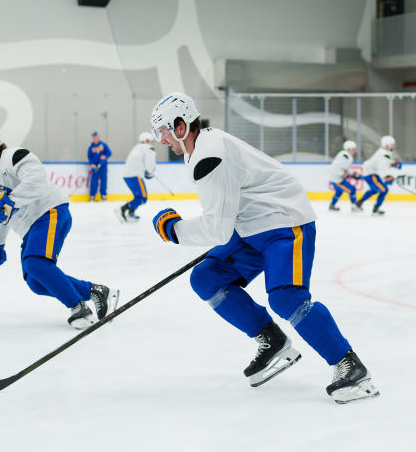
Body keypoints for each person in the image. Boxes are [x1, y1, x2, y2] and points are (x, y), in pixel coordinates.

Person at [147, 92, 378, 404]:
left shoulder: (207, 155)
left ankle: (351, 368)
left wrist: (173, 230)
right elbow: (224, 220)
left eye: (163, 132)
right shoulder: (200, 148)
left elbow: (217, 228)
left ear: (179, 126)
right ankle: (271, 340)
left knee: (287, 298)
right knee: (206, 278)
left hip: (285, 221)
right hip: (252, 226)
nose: (162, 141)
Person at [0, 122, 119, 328]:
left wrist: (11, 201)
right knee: (35, 281)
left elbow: (36, 183)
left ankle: (78, 308)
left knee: (36, 263)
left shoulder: (16, 156)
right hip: (30, 228)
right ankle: (93, 291)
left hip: (50, 211)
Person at [355, 135, 402, 215]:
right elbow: (381, 169)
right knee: (384, 190)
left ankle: (358, 203)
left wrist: (392, 164)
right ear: (387, 145)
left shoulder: (384, 152)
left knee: (375, 190)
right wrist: (387, 177)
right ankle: (375, 209)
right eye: (392, 144)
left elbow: (383, 164)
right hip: (371, 174)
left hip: (371, 173)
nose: (394, 146)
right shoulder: (384, 154)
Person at [116, 132, 157, 223]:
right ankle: (122, 209)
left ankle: (131, 213)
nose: (153, 143)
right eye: (151, 141)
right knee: (142, 198)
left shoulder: (137, 147)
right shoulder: (149, 148)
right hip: (135, 175)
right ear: (147, 140)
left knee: (137, 197)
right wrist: (151, 172)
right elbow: (149, 167)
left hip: (127, 175)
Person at [328, 140, 360, 212]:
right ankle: (354, 206)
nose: (355, 151)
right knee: (352, 189)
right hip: (337, 180)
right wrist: (345, 174)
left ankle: (332, 206)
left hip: (337, 178)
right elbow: (337, 168)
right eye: (353, 149)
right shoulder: (345, 156)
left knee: (339, 192)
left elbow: (344, 169)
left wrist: (351, 174)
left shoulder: (346, 155)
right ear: (348, 149)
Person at [87, 131, 111, 202]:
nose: (94, 138)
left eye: (96, 137)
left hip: (103, 166)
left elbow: (109, 153)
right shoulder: (91, 147)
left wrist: (105, 156)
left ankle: (103, 195)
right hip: (95, 167)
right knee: (94, 181)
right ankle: (92, 196)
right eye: (93, 137)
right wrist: (91, 164)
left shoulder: (103, 145)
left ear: (98, 137)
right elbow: (89, 157)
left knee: (104, 180)